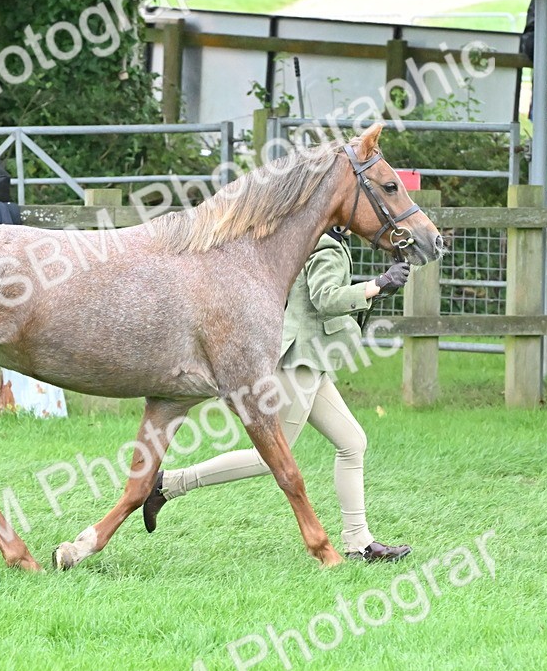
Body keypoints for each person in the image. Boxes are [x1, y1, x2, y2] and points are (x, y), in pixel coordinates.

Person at [142, 226, 413, 563]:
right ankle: (169, 484)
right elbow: (326, 298)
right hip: (300, 363)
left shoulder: (317, 240)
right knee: (268, 458)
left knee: (353, 442)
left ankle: (359, 541)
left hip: (312, 362)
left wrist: (379, 287)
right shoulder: (326, 246)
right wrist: (377, 285)